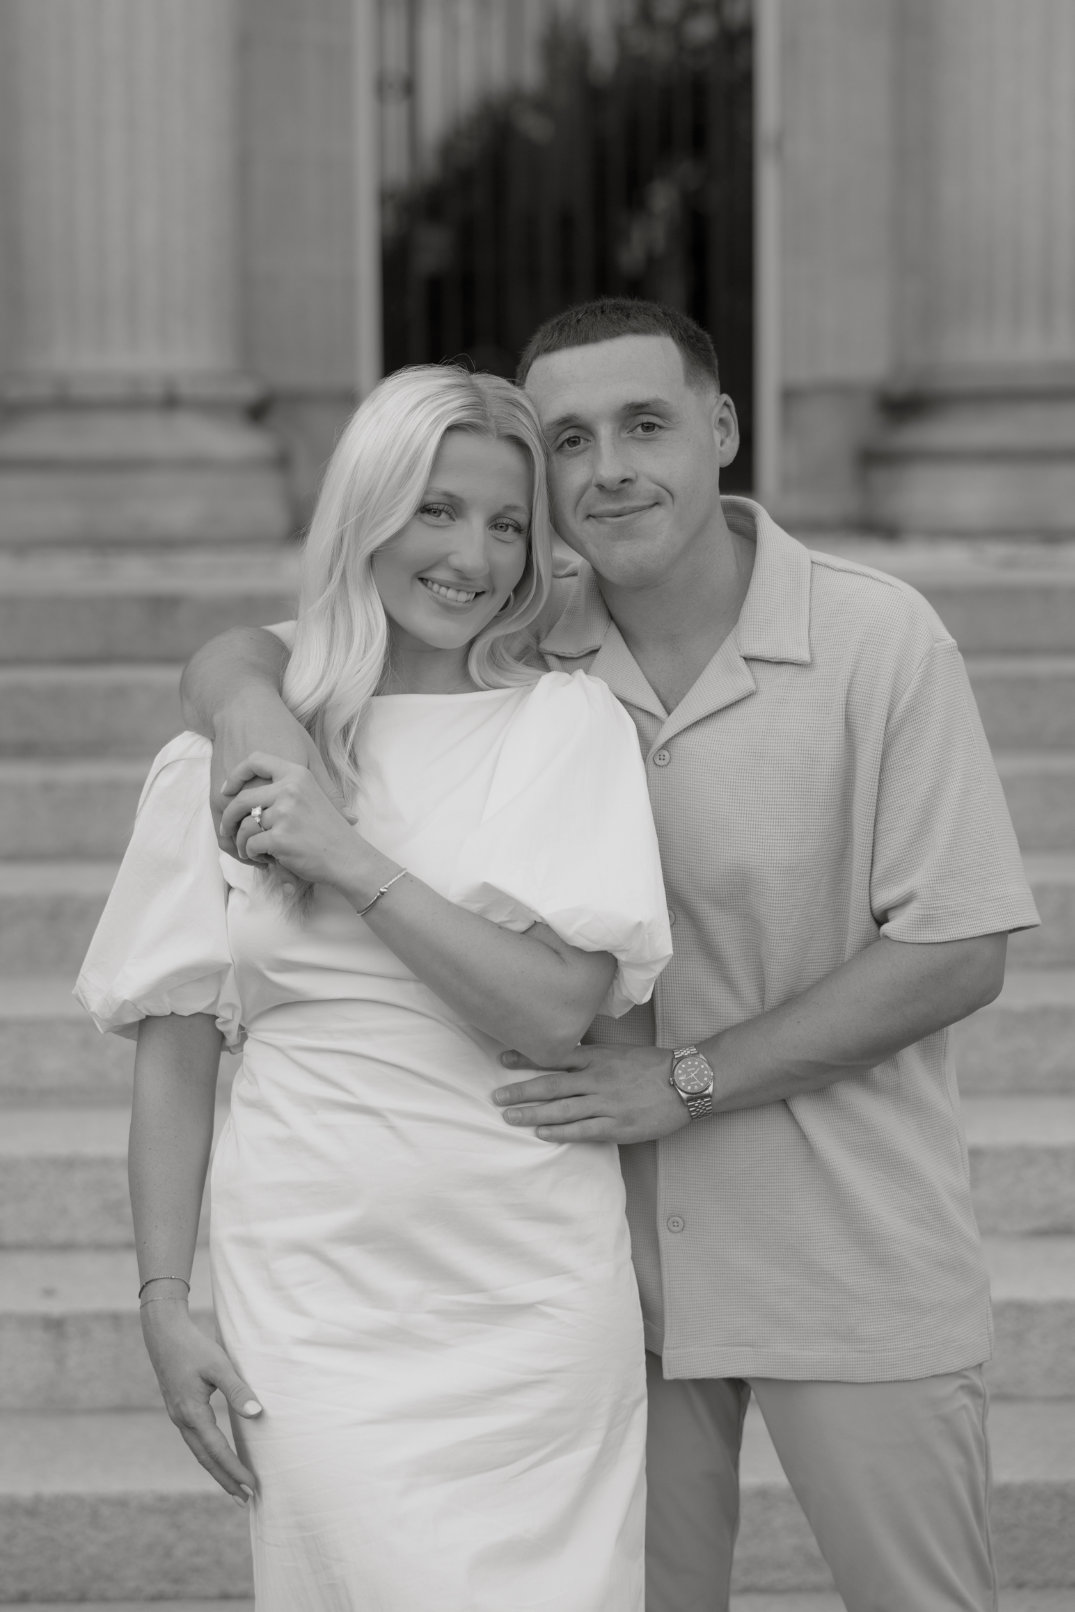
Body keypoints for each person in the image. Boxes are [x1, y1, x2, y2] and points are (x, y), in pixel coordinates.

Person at [181, 300, 1040, 1612]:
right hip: (618, 1284)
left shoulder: (878, 637)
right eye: (567, 441)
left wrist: (684, 1077)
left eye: (644, 424)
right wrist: (242, 696)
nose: (607, 468)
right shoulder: (523, 639)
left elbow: (955, 947)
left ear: (720, 428)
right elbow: (275, 644)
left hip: (846, 1247)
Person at [76, 364, 674, 1612]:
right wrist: (160, 1300)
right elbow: (177, 1051)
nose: (475, 556)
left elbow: (554, 1007)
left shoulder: (563, 725)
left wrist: (345, 855)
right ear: (365, 514)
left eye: (509, 523)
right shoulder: (229, 748)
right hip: (314, 1295)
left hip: (531, 1292)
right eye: (437, 510)